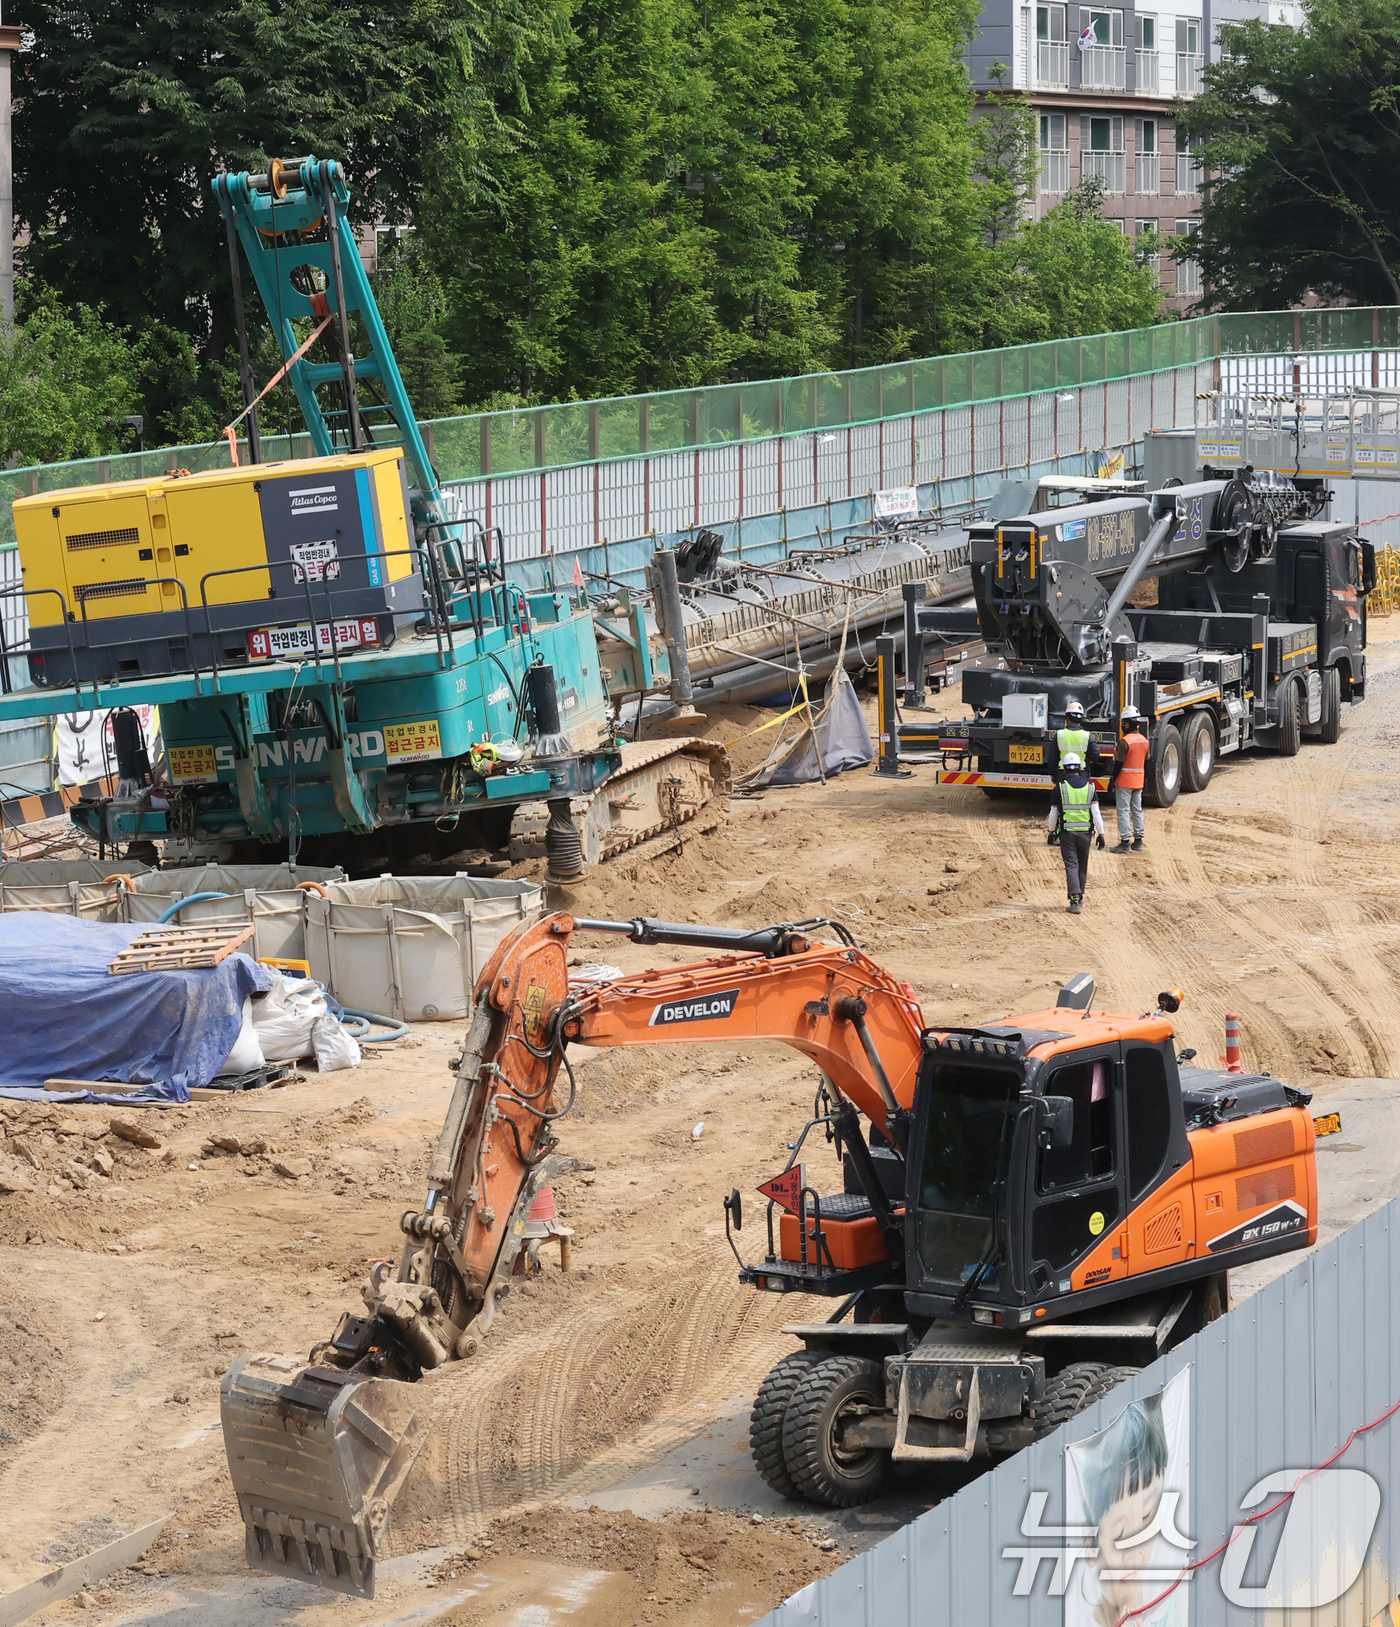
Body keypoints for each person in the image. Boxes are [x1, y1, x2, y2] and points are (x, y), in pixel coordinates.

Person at [1047, 751, 1106, 914]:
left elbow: (1053, 813)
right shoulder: (1090, 787)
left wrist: (1051, 832)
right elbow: (1096, 813)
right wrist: (1101, 833)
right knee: (1082, 865)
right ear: (1080, 768)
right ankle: (1080, 897)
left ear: (1064, 769)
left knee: (1071, 865)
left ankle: (1075, 899)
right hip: (1086, 834)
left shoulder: (1060, 788)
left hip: (1067, 834)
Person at [1110, 707, 1150, 853]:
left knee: (1124, 811)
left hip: (1124, 782)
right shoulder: (1144, 741)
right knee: (1137, 810)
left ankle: (1125, 842)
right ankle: (1138, 841)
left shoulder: (1124, 742)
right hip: (1138, 781)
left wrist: (1112, 780)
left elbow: (1118, 763)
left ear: (1126, 724)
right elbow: (1147, 762)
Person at [1055, 700, 1099, 779]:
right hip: (1081, 773)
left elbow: (1052, 758)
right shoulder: (1087, 736)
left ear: (1067, 717)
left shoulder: (1059, 734)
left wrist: (1054, 775)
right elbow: (1095, 756)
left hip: (1063, 773)